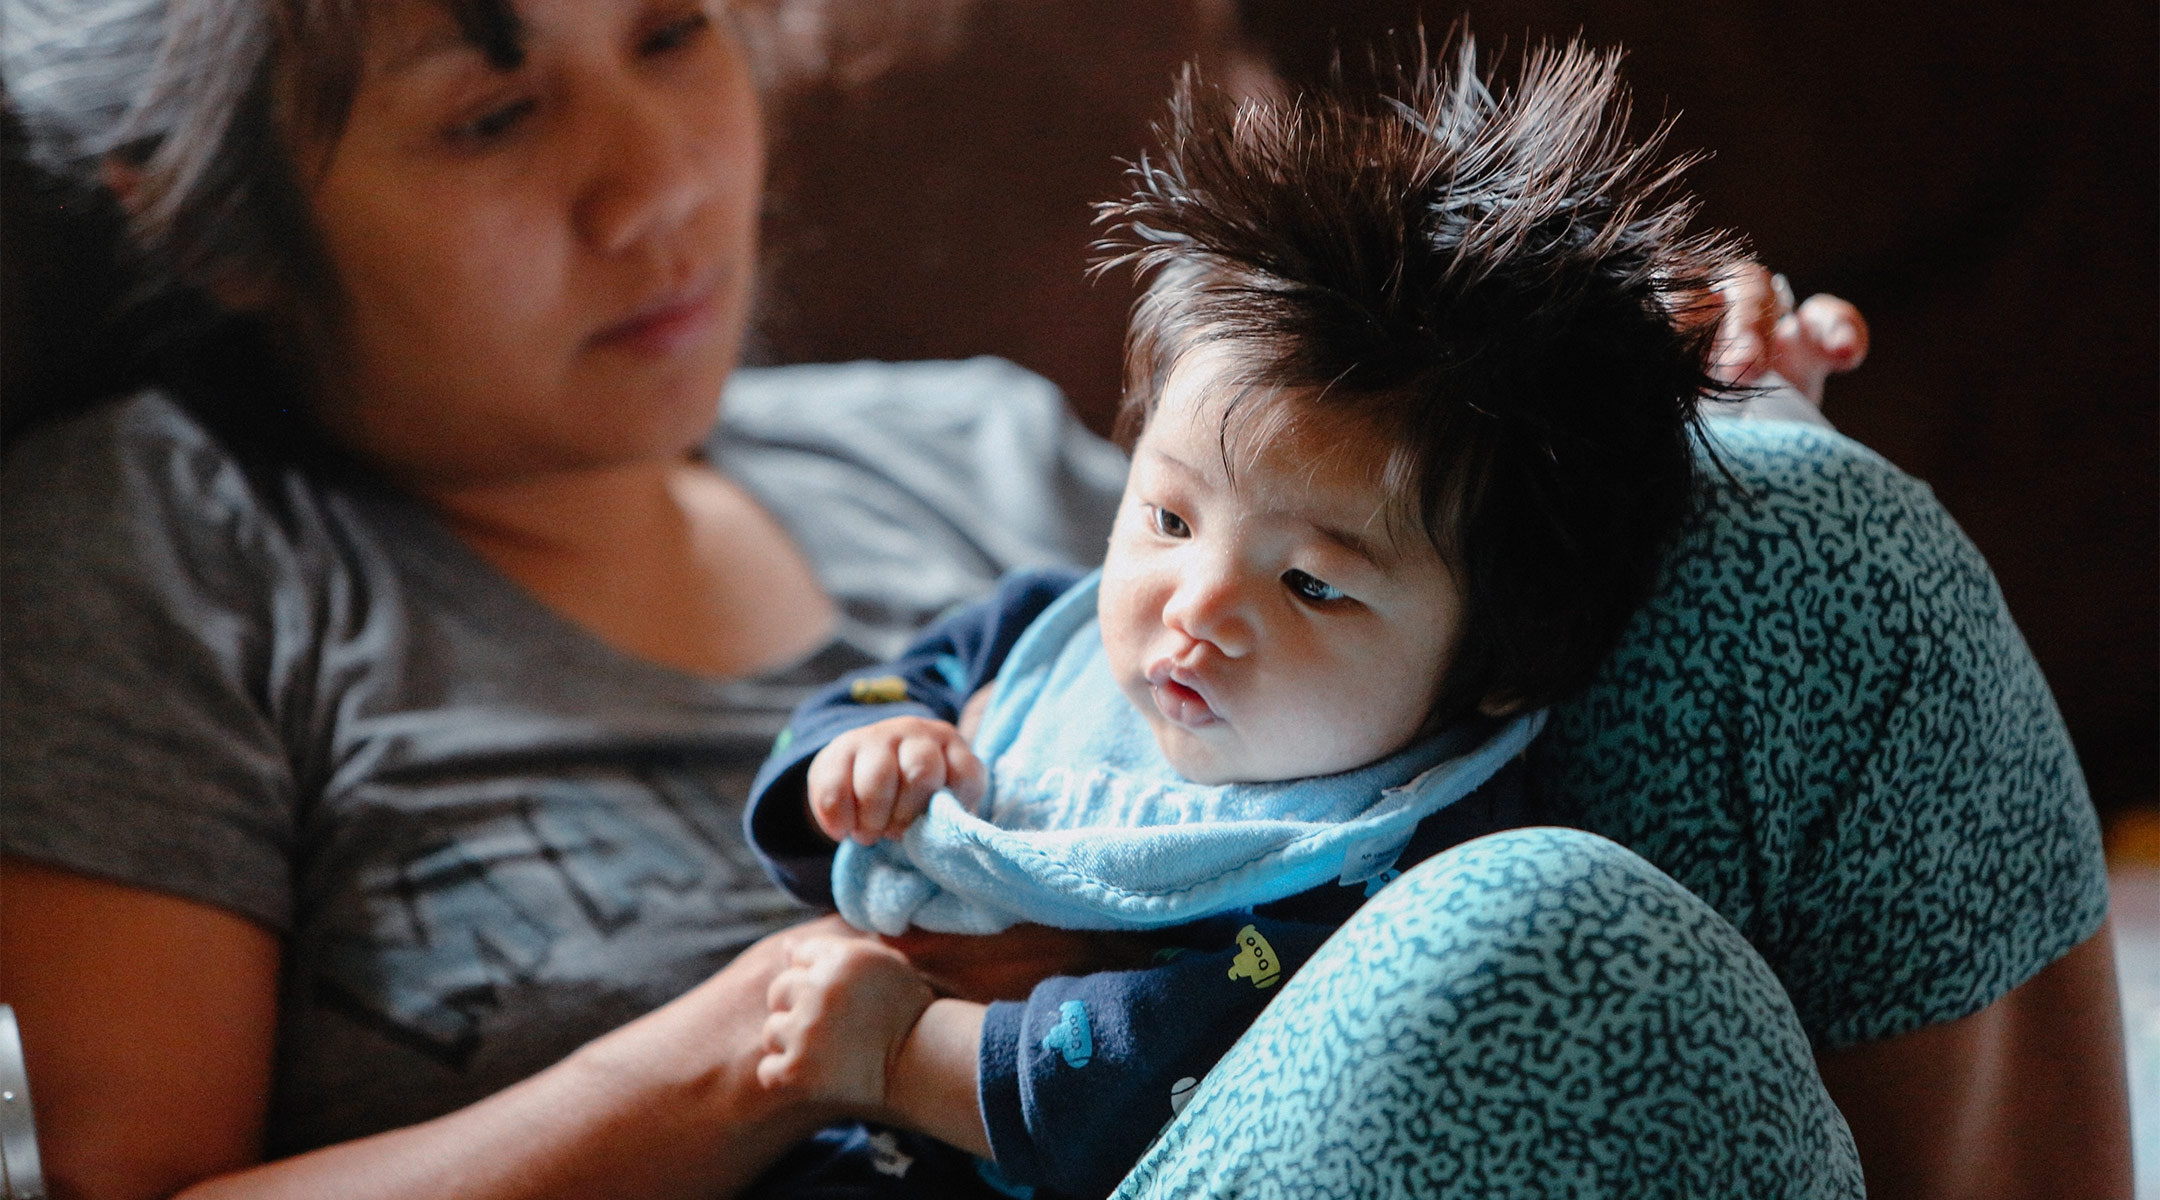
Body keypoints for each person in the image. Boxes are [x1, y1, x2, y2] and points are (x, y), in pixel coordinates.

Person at [0, 1, 2126, 1198]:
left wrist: (1607, 427)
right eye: (490, 112)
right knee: (1538, 948)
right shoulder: (171, 546)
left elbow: (1365, 623)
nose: (651, 179)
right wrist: (789, 1045)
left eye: (670, 32)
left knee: (1789, 532)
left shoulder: (960, 444)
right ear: (209, 225)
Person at [740, 45, 1784, 1197]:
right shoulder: (1046, 637)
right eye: (1171, 520)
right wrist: (864, 757)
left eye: (1312, 586)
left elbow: (1161, 1079)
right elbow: (876, 710)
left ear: (1503, 661)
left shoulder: (1392, 857)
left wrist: (893, 1054)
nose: (1198, 611)